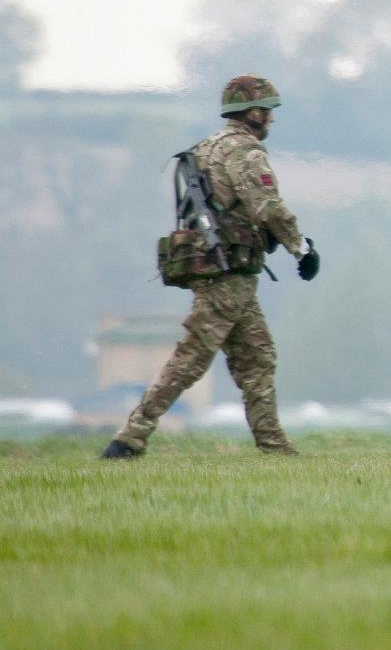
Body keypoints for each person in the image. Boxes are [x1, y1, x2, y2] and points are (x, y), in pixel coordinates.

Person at [102, 76, 319, 459]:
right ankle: (129, 438)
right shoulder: (245, 151)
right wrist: (300, 248)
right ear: (252, 112)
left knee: (258, 357)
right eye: (267, 111)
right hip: (227, 273)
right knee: (192, 358)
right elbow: (266, 207)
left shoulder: (207, 147)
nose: (271, 119)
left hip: (222, 269)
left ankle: (273, 445)